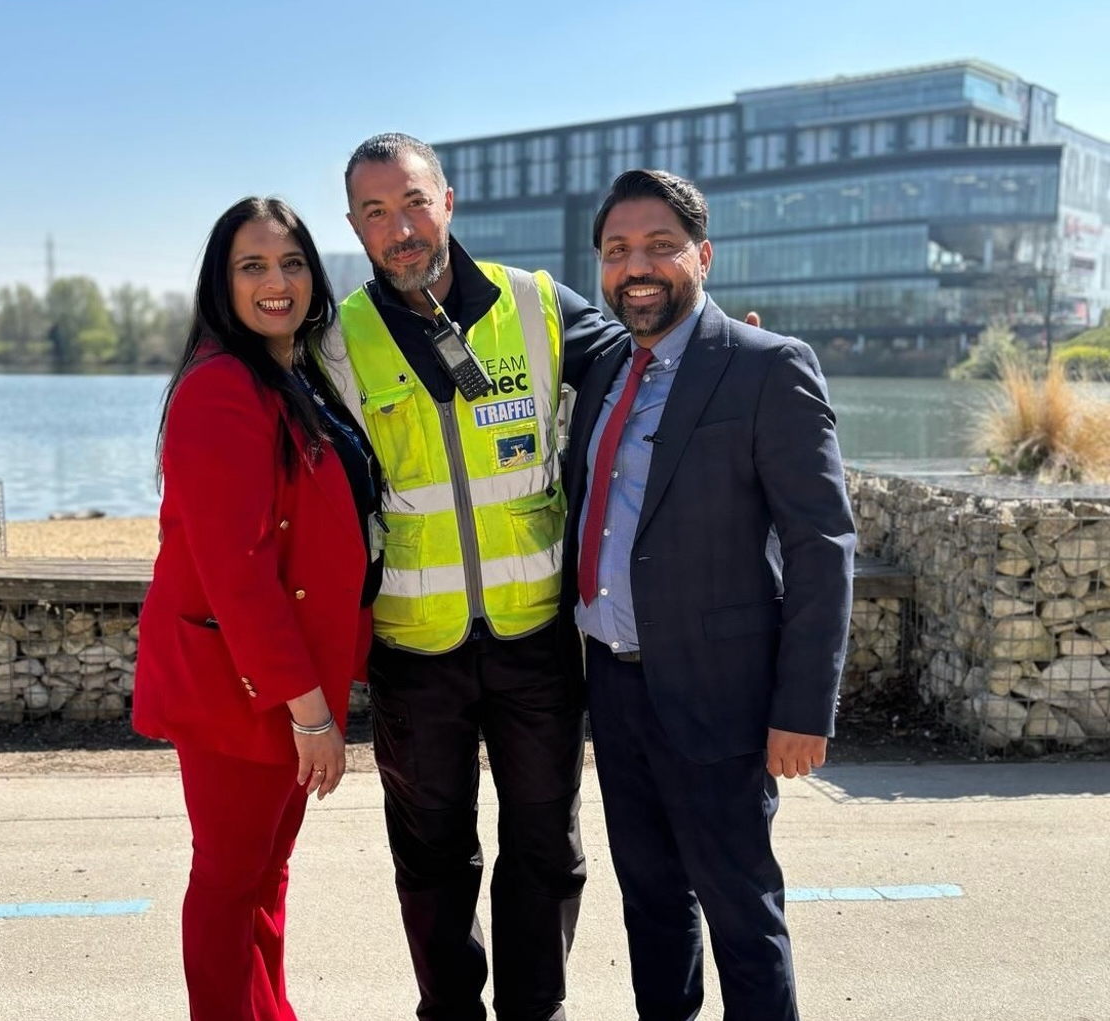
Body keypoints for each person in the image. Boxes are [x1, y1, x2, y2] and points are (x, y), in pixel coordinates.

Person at [316, 133, 628, 1021]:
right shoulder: (338, 340)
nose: (399, 227)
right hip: (416, 647)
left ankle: (538, 1011)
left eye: (413, 201)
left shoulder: (535, 303)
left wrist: (726, 361)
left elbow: (645, 361)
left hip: (535, 637)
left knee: (545, 845)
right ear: (355, 227)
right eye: (376, 212)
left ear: (447, 200)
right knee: (433, 856)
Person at [560, 168, 857, 1021]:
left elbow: (822, 543)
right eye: (618, 251)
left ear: (704, 255)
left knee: (741, 915)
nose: (636, 266)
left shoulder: (768, 366)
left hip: (722, 697)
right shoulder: (608, 365)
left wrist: (805, 707)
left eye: (659, 245)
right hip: (614, 688)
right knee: (651, 905)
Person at [132, 196, 381, 1021]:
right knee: (229, 880)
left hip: (280, 681)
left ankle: (270, 1010)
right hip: (241, 686)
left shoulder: (288, 373)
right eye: (254, 266)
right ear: (221, 282)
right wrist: (311, 712)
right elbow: (235, 569)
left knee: (264, 874)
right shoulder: (221, 387)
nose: (277, 282)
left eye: (293, 263)